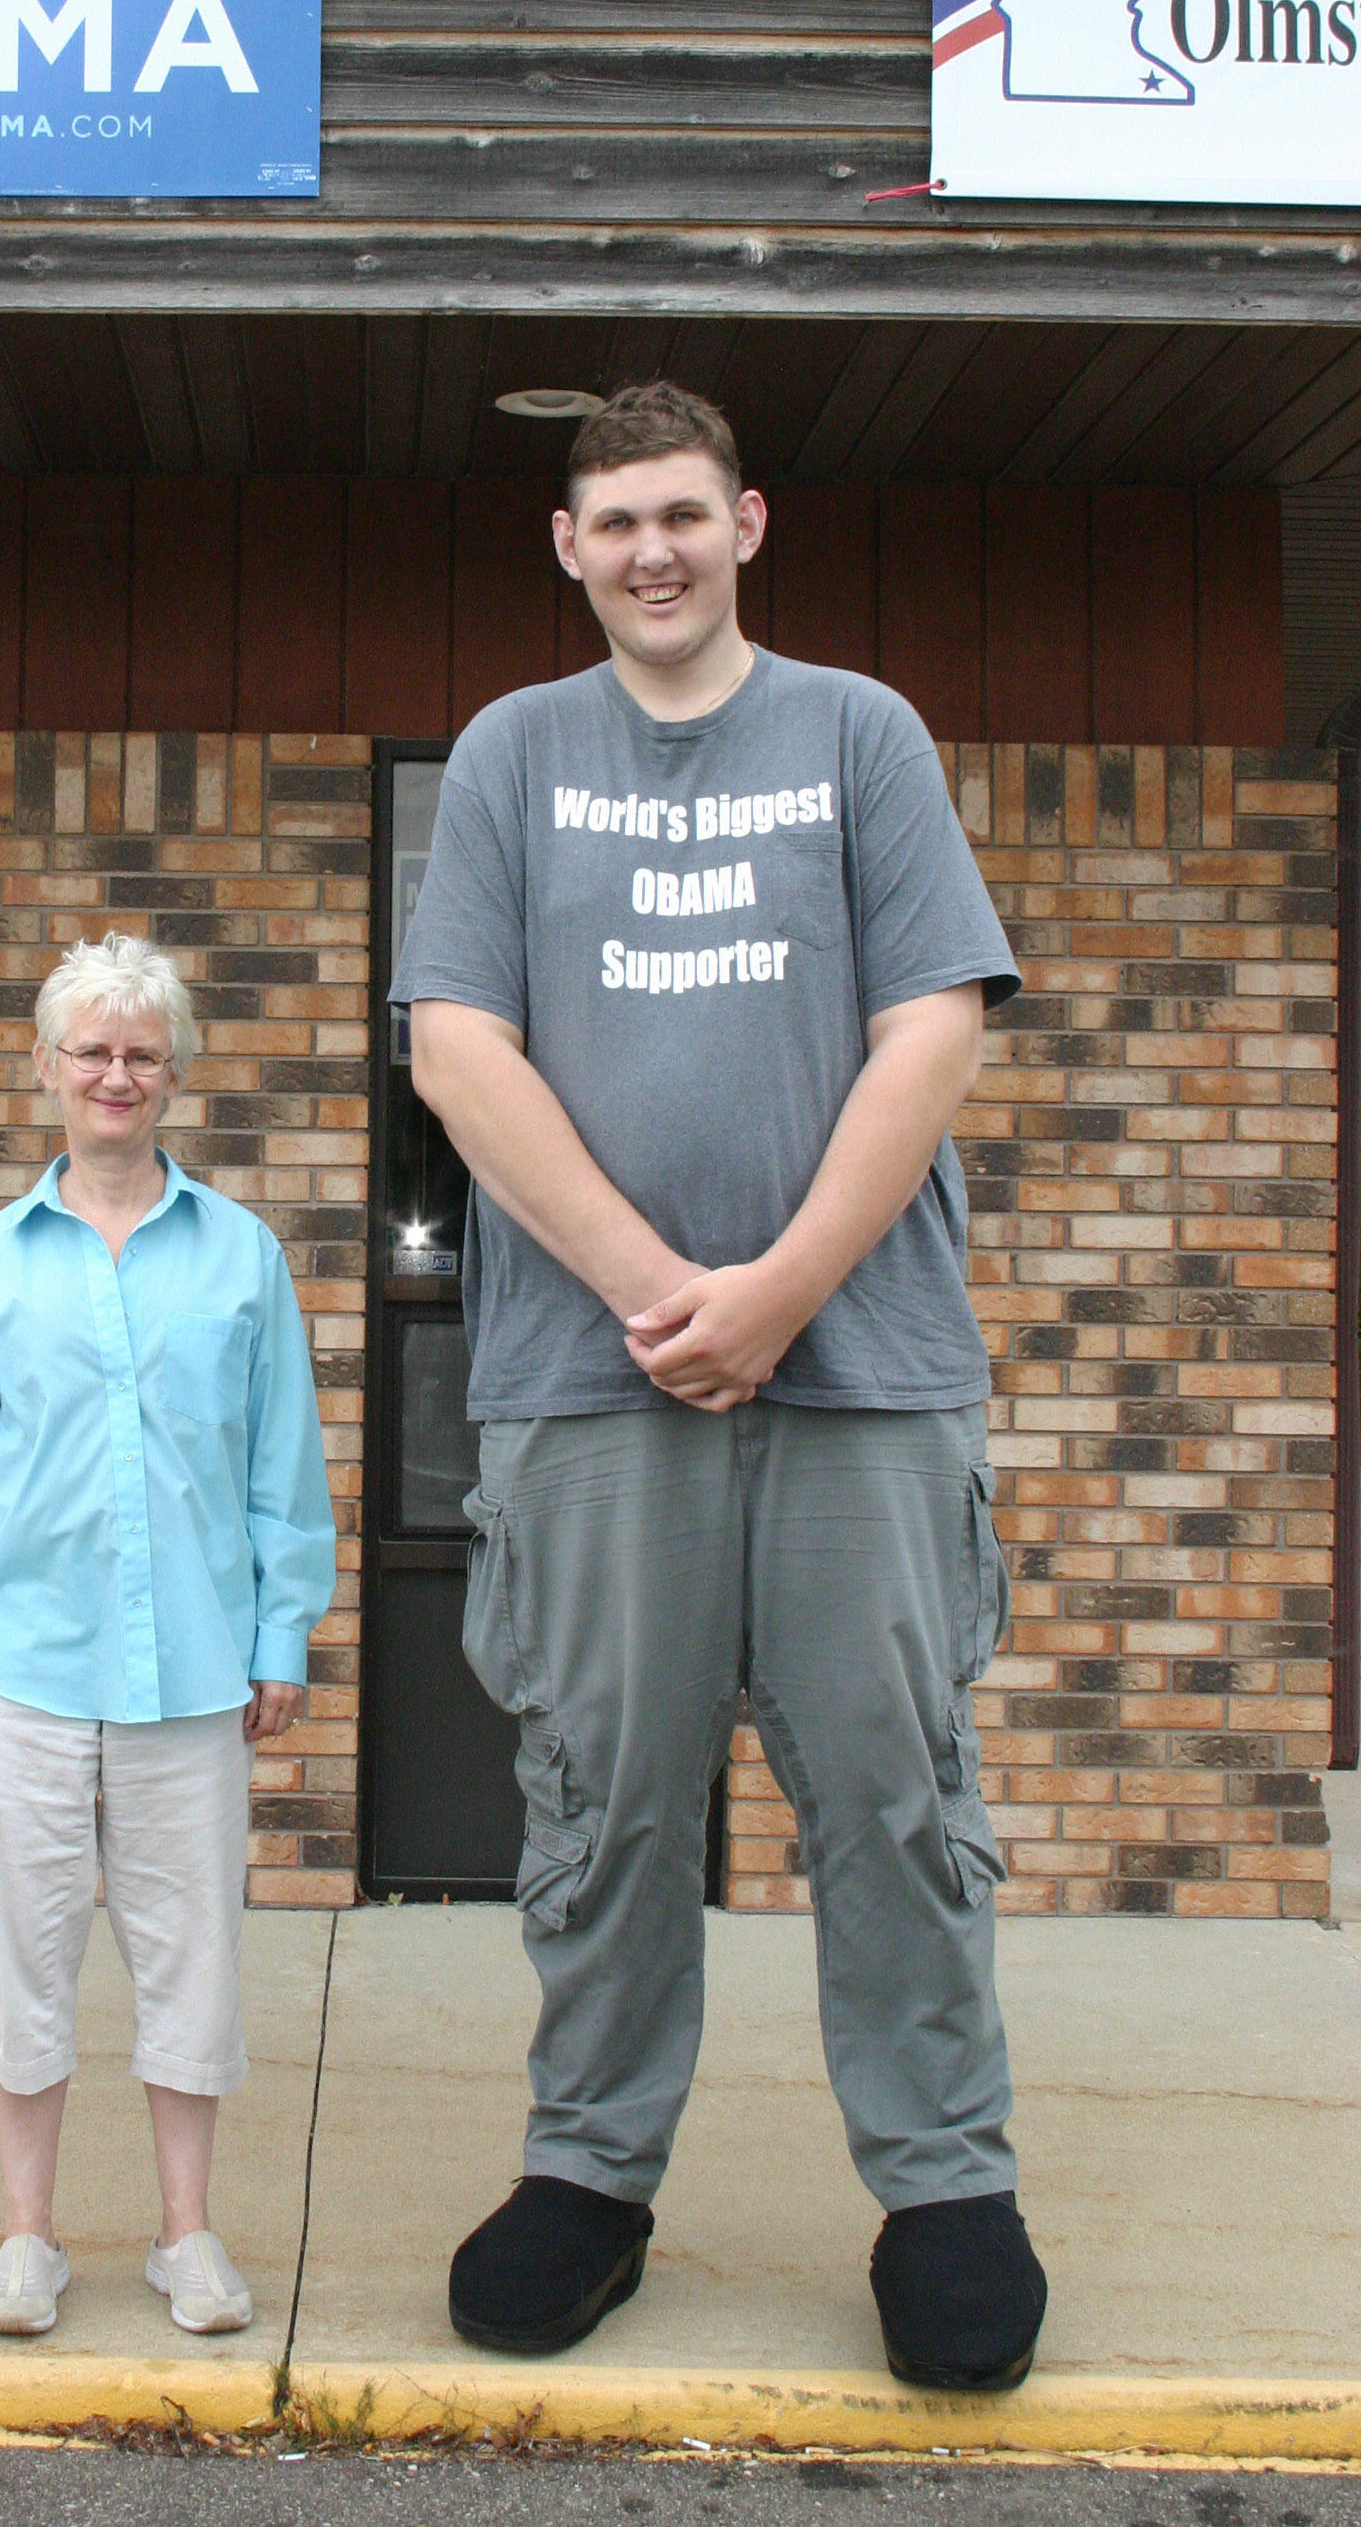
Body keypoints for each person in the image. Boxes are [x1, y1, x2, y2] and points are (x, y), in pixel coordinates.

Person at [390, 383, 1047, 2390]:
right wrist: (662, 1291)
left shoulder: (859, 734)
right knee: (598, 1803)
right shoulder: (512, 754)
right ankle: (588, 2175)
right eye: (615, 523)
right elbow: (455, 1050)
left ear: (747, 523)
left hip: (863, 1381)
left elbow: (931, 1033)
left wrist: (777, 1293)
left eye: (684, 512)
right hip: (587, 1394)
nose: (652, 550)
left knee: (894, 1796)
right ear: (566, 547)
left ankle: (943, 2190)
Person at [0, 931, 336, 2343]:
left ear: (178, 1074)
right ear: (46, 1069)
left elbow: (285, 1465)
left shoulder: (243, 1257)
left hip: (195, 1673)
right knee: (25, 1952)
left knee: (187, 1951)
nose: (116, 1074)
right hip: (25, 1664)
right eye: (90, 1049)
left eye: (142, 1052)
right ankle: (28, 2239)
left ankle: (185, 2236)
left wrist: (283, 1631)